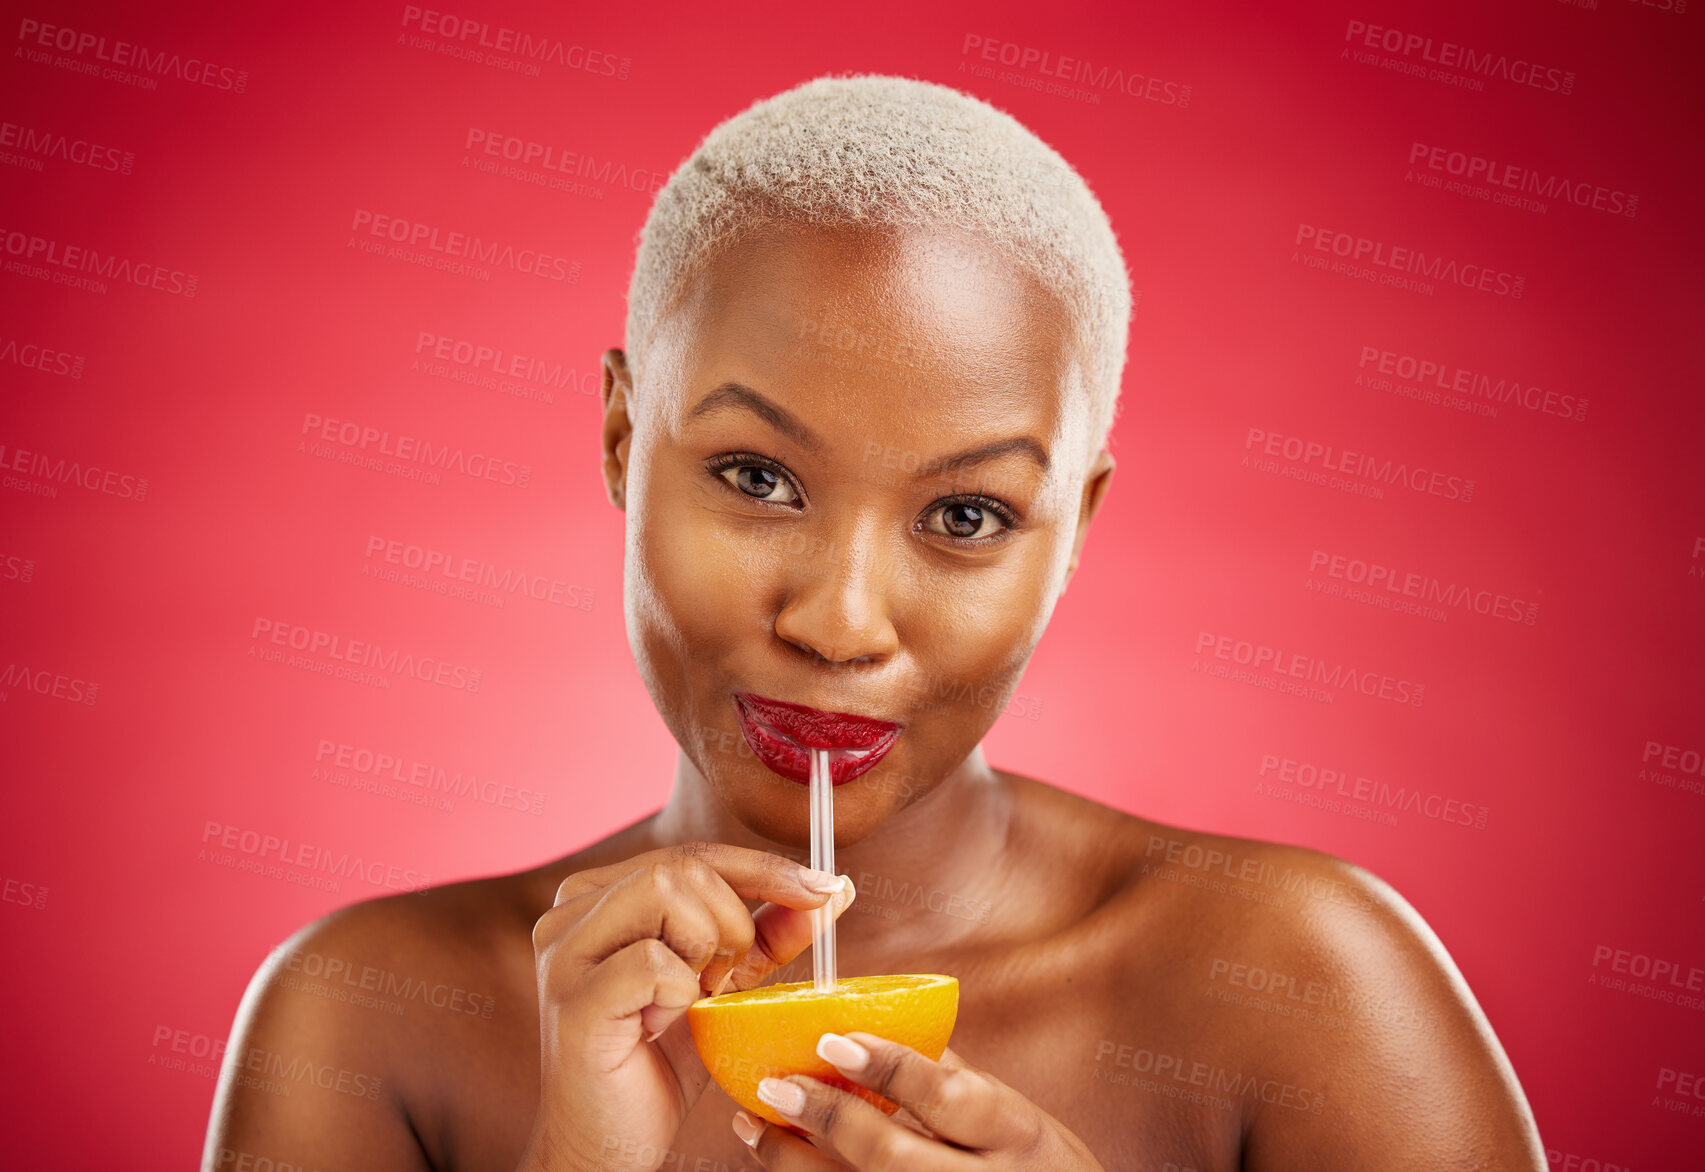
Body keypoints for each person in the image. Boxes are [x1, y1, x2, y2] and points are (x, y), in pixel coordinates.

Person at [203, 74, 1547, 1171]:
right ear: (622, 437)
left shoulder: (1299, 985)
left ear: (1072, 527)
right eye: (754, 479)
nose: (840, 624)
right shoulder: (367, 1020)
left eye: (964, 517)